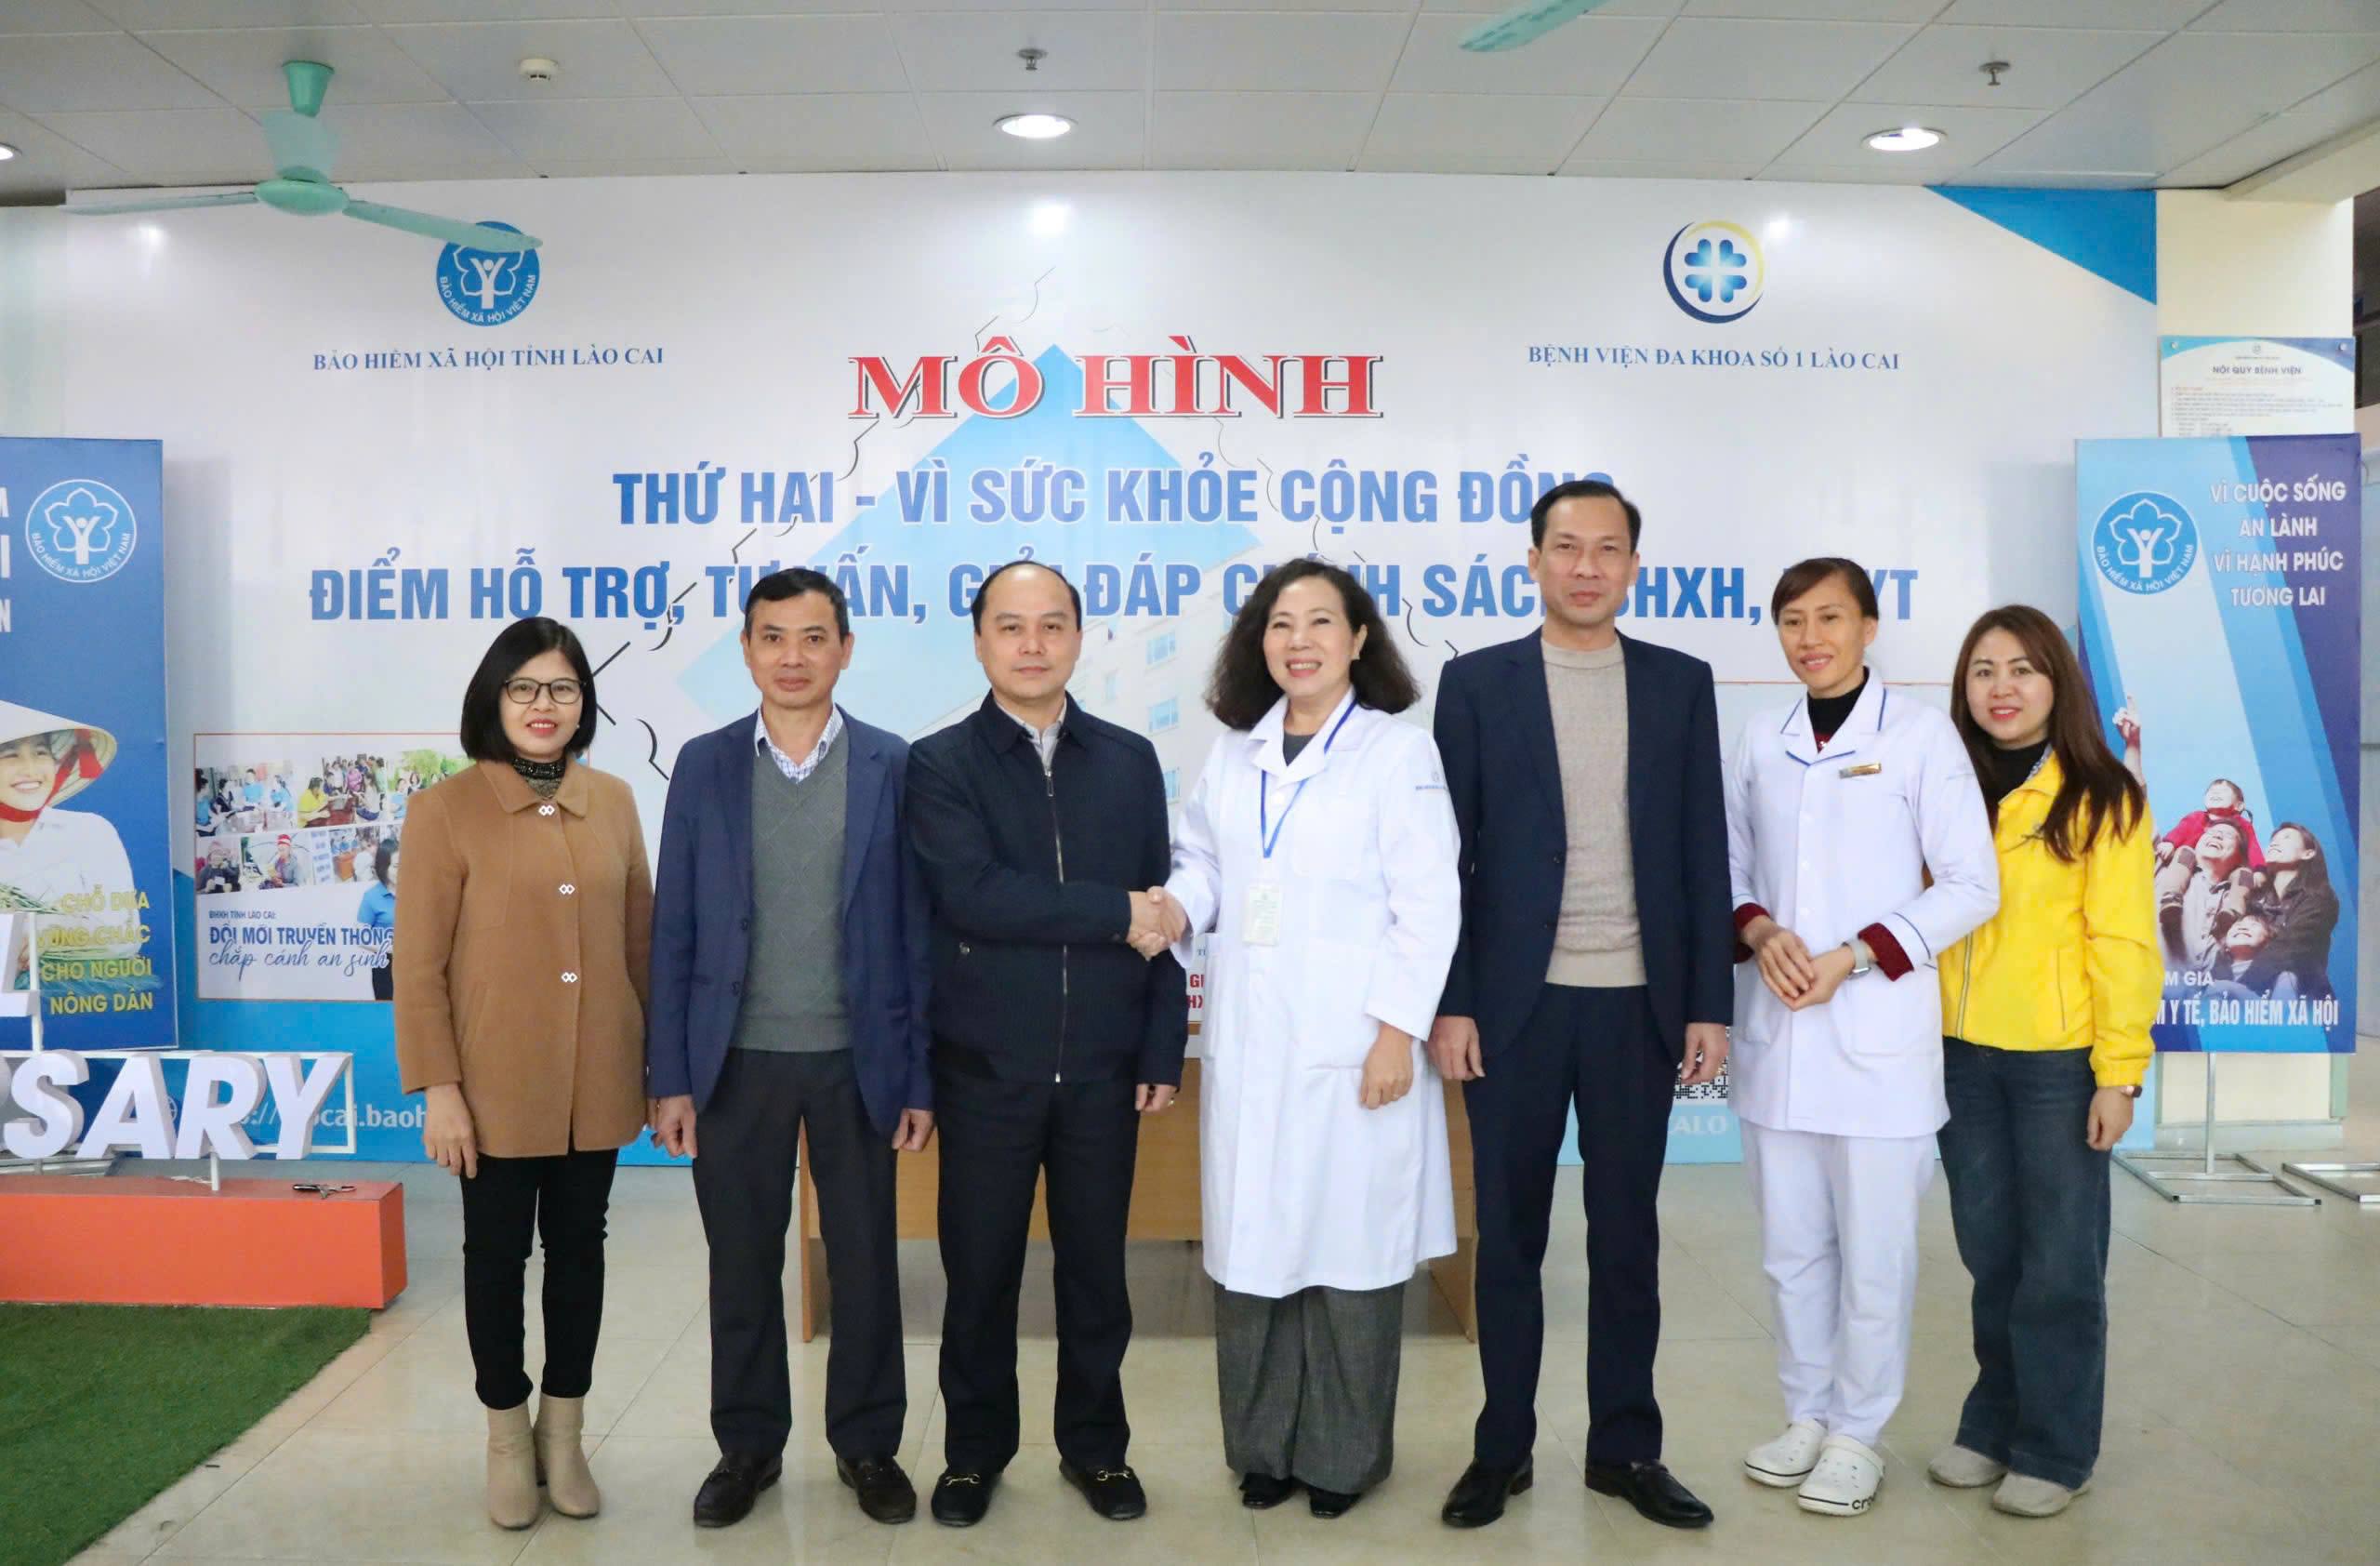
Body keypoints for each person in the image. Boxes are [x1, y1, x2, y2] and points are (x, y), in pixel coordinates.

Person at [1426, 480, 1731, 1532]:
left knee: (1627, 1238)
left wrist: (1708, 1003)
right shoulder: (1476, 684)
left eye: (1608, 549)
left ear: (1634, 567)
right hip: (1513, 1010)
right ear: (1534, 561)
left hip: (1638, 1007)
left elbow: (1702, 845)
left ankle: (1625, 1449)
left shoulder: (1680, 683)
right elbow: (1446, 859)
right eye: (1567, 547)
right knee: (1509, 1239)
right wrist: (1453, 1001)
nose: (1586, 567)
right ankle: (1500, 1449)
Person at [1157, 559, 1459, 1520]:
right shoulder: (1234, 753)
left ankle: (1341, 1460)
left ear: (1359, 640)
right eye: (1281, 623)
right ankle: (1262, 1451)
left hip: (1354, 1042)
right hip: (1252, 1043)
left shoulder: (1396, 754)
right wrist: (1172, 908)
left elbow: (1429, 904)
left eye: (1321, 622)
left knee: (1349, 1257)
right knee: (1255, 1250)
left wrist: (1395, 1033)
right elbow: (1203, 861)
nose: (1300, 641)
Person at [644, 568, 935, 1531]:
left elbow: (917, 932)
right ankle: (748, 1446)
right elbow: (674, 929)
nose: (794, 656)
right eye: (773, 637)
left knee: (864, 1263)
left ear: (845, 649)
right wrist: (670, 1075)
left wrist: (918, 1074)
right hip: (735, 1060)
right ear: (747, 650)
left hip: (859, 1059)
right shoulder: (704, 765)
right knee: (741, 1264)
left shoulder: (894, 764)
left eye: (814, 637)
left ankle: (868, 1444)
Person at [906, 559, 1186, 1528]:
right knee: (979, 1274)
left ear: (1078, 636)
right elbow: (977, 896)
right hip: (985, 1070)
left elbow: (1164, 915)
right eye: (1011, 626)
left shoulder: (1129, 759)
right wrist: (1116, 911)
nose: (1033, 645)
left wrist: (1159, 1048)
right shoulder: (940, 764)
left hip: (1104, 1070)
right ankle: (972, 1456)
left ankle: (1097, 1450)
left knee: (1097, 1275)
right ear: (980, 640)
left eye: (1052, 625)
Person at [1726, 558, 1999, 1519]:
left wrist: (1857, 955)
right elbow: (1729, 864)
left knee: (1876, 1258)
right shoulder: (1760, 738)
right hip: (1778, 1037)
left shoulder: (1919, 737)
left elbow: (1971, 884)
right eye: (1792, 621)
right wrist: (1759, 928)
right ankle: (1805, 1415)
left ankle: (1857, 1434)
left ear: (1869, 627)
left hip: (1877, 1038)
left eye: (1830, 618)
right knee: (1792, 1251)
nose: (1811, 638)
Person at [393, 617, 652, 1533]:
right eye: (525, 688)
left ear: (585, 704)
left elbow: (641, 947)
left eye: (563, 688)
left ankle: (563, 1433)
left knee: (581, 1253)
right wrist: (440, 1088)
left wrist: (657, 1067)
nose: (545, 706)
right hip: (491, 1085)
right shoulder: (446, 809)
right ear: (494, 699)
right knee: (496, 1258)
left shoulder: (614, 801)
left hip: (598, 1077)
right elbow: (418, 965)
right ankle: (507, 1435)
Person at [1926, 605, 2157, 1520]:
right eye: (1983, 670)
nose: (2002, 688)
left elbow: (2124, 940)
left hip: (2058, 1063)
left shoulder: (2103, 794)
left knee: (2060, 1264)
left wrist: (2119, 1072)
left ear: (2056, 682)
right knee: (1991, 1255)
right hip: (1960, 1057)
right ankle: (1993, 1425)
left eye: (2022, 668)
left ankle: (2056, 1449)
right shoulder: (1943, 784)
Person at [0, 704, 140, 959]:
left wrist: (51, 930)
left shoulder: (90, 832)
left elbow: (125, 937)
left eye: (41, 753)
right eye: (10, 755)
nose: (31, 769)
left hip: (82, 985)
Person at [2229, 822, 2340, 1001]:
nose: (2274, 843)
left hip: (2299, 998)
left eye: (2286, 838)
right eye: (2273, 840)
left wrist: (2242, 987)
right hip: (2245, 995)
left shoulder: (2319, 898)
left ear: (2308, 853)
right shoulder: (2255, 898)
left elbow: (2295, 943)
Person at [2153, 819, 2246, 978]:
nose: (2217, 836)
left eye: (2228, 835)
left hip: (2204, 991)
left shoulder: (2242, 898)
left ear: (2240, 857)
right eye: (2211, 832)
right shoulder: (2162, 870)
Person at [358, 838, 398, 1002]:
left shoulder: (415, 892)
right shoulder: (372, 897)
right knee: (388, 1012)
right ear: (383, 867)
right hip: (385, 967)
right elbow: (361, 937)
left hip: (415, 966)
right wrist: (392, 949)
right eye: (396, 866)